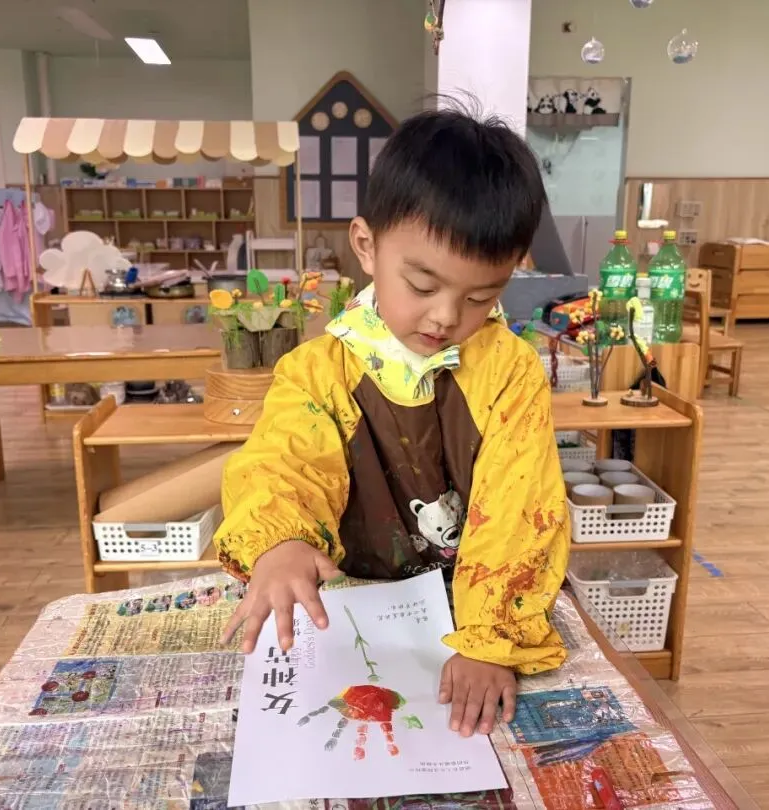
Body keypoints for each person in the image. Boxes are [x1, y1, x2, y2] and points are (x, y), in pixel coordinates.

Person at [216, 107, 570, 738]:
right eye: (422, 285)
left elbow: (520, 510)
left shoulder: (509, 372)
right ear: (366, 246)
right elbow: (284, 461)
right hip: (354, 605)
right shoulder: (318, 370)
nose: (446, 316)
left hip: (468, 608)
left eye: (481, 297)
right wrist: (281, 541)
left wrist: (489, 642)